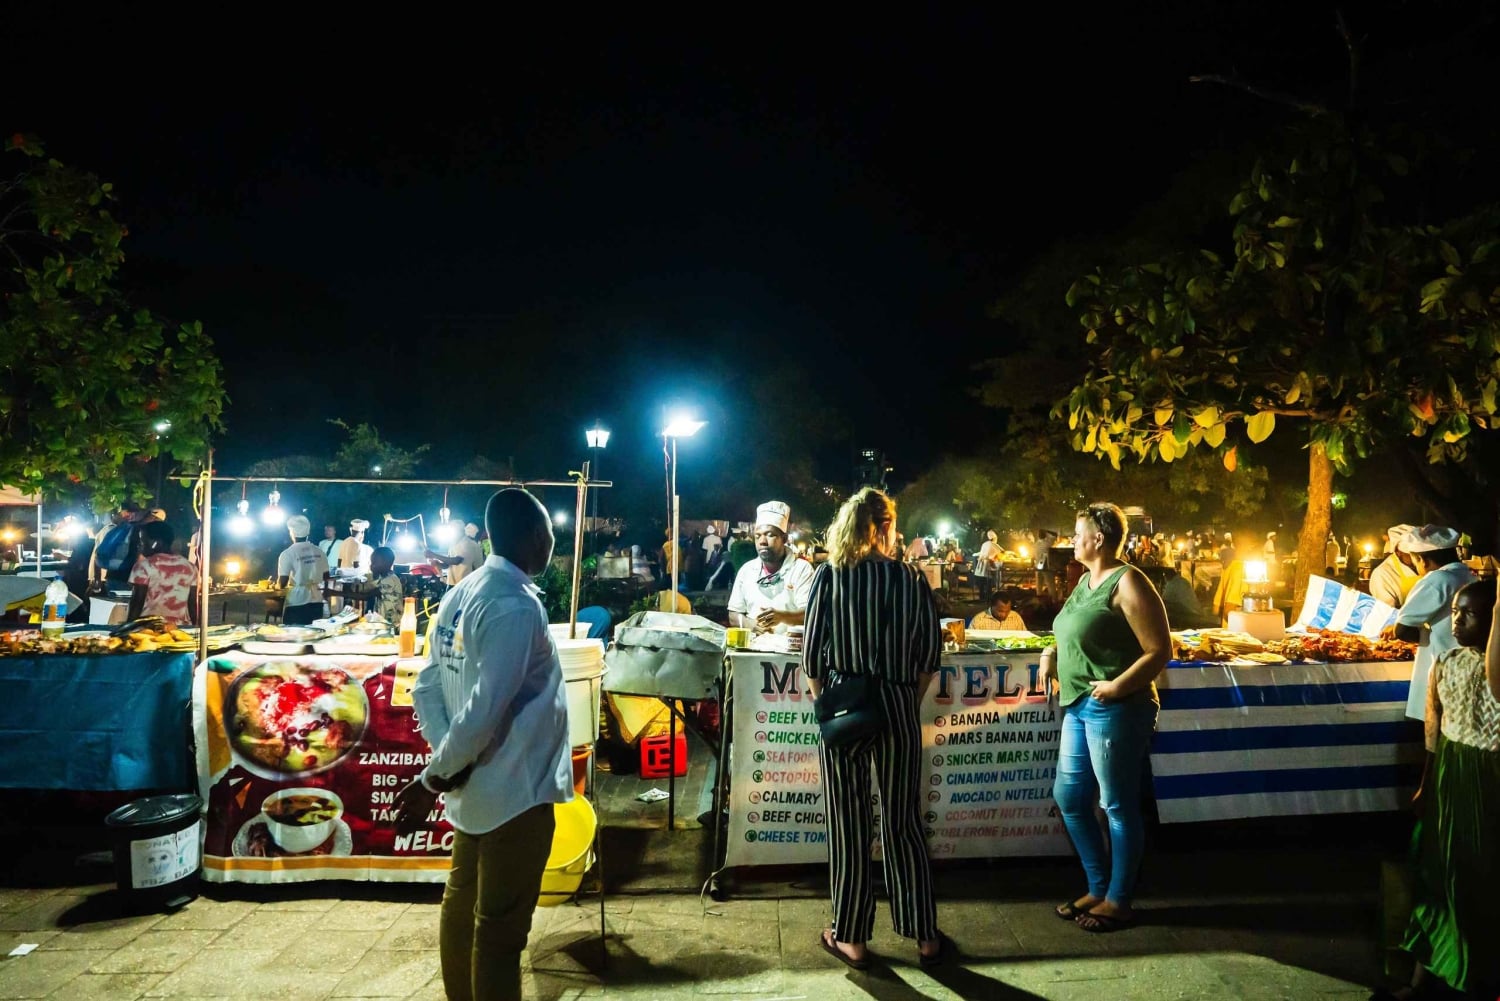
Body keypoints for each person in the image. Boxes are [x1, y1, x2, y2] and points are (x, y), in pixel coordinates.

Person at [398, 489, 572, 1001]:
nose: (551, 542)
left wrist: (449, 763)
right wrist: (438, 773)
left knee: (462, 909)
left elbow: (427, 686)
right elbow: (483, 709)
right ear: (535, 536)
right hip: (514, 792)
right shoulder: (514, 605)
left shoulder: (462, 592)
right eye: (549, 533)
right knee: (499, 933)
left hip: (474, 787)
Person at [801, 487, 947, 969]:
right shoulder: (910, 578)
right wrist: (905, 699)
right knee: (902, 820)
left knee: (849, 822)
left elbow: (811, 658)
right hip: (899, 702)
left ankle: (852, 937)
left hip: (846, 703)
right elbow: (929, 656)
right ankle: (924, 935)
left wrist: (828, 703)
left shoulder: (831, 575)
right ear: (888, 525)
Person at [1040, 502, 1170, 933]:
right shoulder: (1084, 581)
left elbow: (1159, 650)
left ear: (1098, 539)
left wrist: (1118, 687)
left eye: (1077, 534)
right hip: (1078, 703)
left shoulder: (1129, 581)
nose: (1071, 541)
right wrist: (1049, 653)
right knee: (1071, 798)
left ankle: (1119, 900)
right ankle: (1098, 886)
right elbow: (1068, 628)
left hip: (1116, 706)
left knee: (1115, 804)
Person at [1376, 579, 1500, 1000]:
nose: (1458, 620)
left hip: (1486, 780)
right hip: (1450, 773)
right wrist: (1426, 785)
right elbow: (1434, 733)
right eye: (1455, 612)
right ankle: (1423, 976)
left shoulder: (1495, 672)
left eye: (1471, 613)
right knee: (1436, 875)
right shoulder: (1445, 662)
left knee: (1477, 876)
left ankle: (1474, 973)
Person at [1383, 526, 1476, 722]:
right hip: (1467, 667)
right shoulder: (1470, 576)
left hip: (1441, 669)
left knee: (1436, 734)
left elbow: (1402, 628)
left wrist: (1424, 637)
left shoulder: (1437, 579)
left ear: (1422, 560)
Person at [728, 501, 815, 635]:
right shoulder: (747, 571)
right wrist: (750, 625)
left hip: (791, 652)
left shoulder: (801, 569)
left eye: (770, 535)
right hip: (754, 649)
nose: (762, 541)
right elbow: (734, 614)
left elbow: (811, 613)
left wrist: (782, 616)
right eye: (758, 536)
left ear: (784, 538)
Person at [127, 521, 198, 626]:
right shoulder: (190, 567)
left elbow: (137, 602)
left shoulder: (144, 566)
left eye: (143, 540)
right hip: (179, 628)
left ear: (157, 543)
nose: (140, 545)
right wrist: (195, 627)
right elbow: (192, 604)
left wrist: (128, 627)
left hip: (148, 627)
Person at [276, 515, 330, 625]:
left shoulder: (287, 554)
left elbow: (282, 582)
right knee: (314, 634)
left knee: (293, 635)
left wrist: (275, 586)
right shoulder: (319, 551)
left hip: (296, 601)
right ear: (308, 533)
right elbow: (326, 576)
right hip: (317, 600)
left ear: (292, 533)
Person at [91, 501, 144, 590]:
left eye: (134, 512)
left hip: (120, 578)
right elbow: (99, 554)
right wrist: (97, 579)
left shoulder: (127, 530)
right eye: (128, 512)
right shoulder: (113, 530)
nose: (131, 515)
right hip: (121, 579)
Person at [346, 546, 403, 626]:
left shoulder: (391, 580)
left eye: (374, 562)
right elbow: (363, 588)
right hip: (381, 621)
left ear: (386, 563)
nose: (372, 565)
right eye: (371, 562)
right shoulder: (381, 577)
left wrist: (335, 593)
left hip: (392, 623)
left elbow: (365, 596)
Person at [1369, 524, 1421, 609]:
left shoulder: (1428, 566)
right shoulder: (1382, 574)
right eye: (1412, 554)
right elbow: (1387, 612)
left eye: (1420, 554)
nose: (1418, 558)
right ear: (1398, 551)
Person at [428, 522, 484, 586]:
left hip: (467, 585)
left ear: (460, 531)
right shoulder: (453, 544)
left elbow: (457, 561)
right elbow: (447, 565)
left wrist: (434, 555)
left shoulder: (468, 543)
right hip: (453, 584)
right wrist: (438, 563)